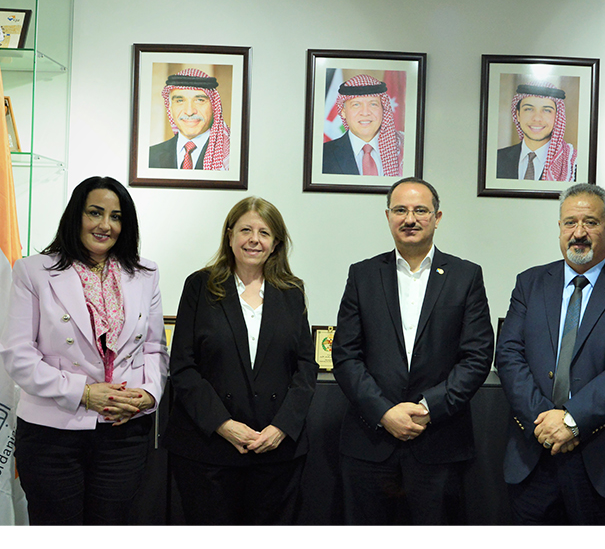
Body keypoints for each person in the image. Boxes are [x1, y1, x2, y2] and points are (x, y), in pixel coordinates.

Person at [0, 176, 168, 525]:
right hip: (52, 434)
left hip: (123, 431)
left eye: (116, 216)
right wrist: (84, 393)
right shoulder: (33, 271)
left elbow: (154, 347)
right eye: (95, 212)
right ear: (76, 215)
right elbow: (18, 354)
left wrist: (148, 394)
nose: (105, 225)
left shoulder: (145, 273)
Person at [494, 183, 605, 524]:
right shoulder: (530, 283)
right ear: (560, 227)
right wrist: (545, 421)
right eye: (570, 222)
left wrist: (571, 420)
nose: (579, 233)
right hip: (535, 454)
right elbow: (509, 355)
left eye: (591, 222)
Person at [332, 177, 494, 524]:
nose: (410, 219)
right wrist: (384, 412)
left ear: (437, 217)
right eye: (400, 210)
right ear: (388, 216)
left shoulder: (466, 276)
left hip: (439, 442)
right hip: (370, 443)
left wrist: (427, 408)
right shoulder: (362, 275)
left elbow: (477, 357)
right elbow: (345, 355)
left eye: (421, 210)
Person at [164, 197, 318, 525]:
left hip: (276, 452)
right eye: (246, 230)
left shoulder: (292, 292)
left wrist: (281, 428)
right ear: (230, 235)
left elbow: (306, 367)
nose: (254, 240)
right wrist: (224, 425)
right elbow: (183, 366)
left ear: (276, 242)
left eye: (264, 232)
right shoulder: (200, 286)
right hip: (208, 450)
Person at [149, 68, 231, 171]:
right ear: (170, 108)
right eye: (180, 101)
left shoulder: (231, 156)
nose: (189, 112)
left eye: (200, 100)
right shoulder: (150, 156)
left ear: (214, 107)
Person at [322, 74, 403, 176]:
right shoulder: (323, 155)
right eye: (356, 105)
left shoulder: (404, 149)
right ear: (343, 112)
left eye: (373, 104)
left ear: (383, 109)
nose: (365, 113)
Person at [496, 82, 577, 182]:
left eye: (547, 110)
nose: (537, 118)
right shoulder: (496, 159)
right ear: (518, 115)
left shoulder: (572, 165)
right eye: (529, 109)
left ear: (557, 117)